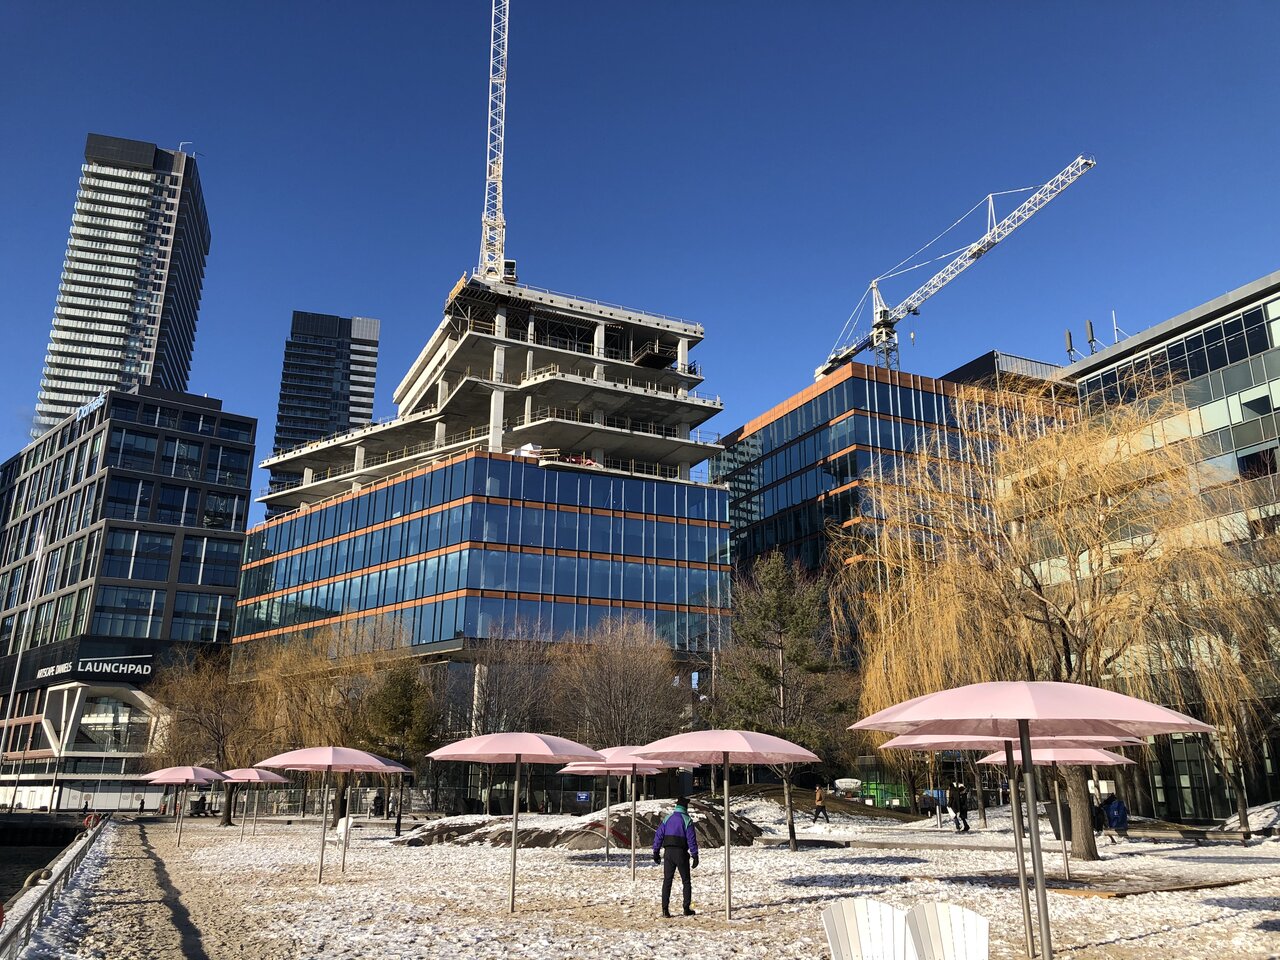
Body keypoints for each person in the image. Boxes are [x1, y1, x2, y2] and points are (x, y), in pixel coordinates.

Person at [652, 797, 699, 918]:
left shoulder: (667, 818)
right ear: (685, 807)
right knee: (686, 881)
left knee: (667, 881)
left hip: (668, 853)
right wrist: (695, 855)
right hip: (681, 853)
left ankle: (665, 909)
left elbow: (659, 835)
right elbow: (691, 839)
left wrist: (656, 852)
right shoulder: (687, 819)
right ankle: (686, 908)